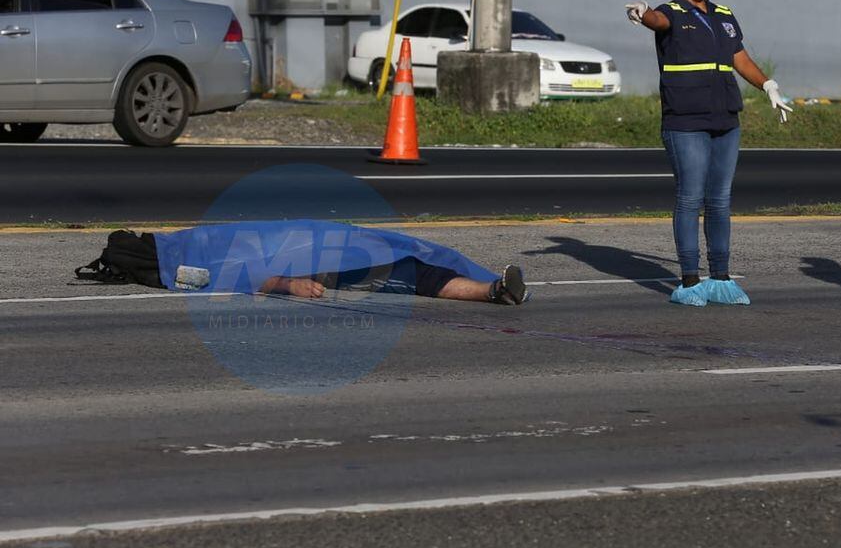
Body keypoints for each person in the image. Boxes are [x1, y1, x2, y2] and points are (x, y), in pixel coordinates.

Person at [624, 0, 793, 307]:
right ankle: (689, 280)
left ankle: (720, 277)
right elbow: (657, 20)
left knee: (719, 201)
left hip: (725, 118)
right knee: (690, 197)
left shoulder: (723, 15)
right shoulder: (670, 12)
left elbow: (739, 58)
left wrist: (768, 85)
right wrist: (643, 11)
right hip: (686, 120)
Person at [76, 220, 528, 305]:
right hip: (317, 258)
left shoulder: (187, 244)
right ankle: (492, 290)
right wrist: (286, 285)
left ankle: (492, 288)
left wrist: (285, 282)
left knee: (404, 261)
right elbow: (234, 276)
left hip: (315, 244)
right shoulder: (181, 264)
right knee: (408, 269)